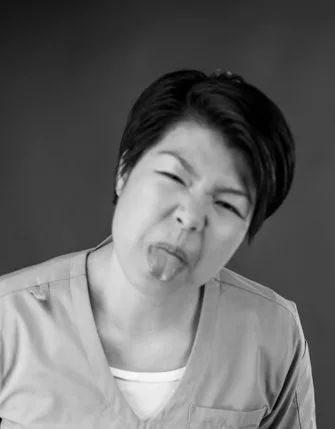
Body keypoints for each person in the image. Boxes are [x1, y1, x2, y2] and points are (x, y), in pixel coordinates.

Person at [0, 69, 316, 428]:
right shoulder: (8, 321)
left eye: (227, 205)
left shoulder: (273, 332)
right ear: (124, 171)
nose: (190, 218)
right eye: (174, 177)